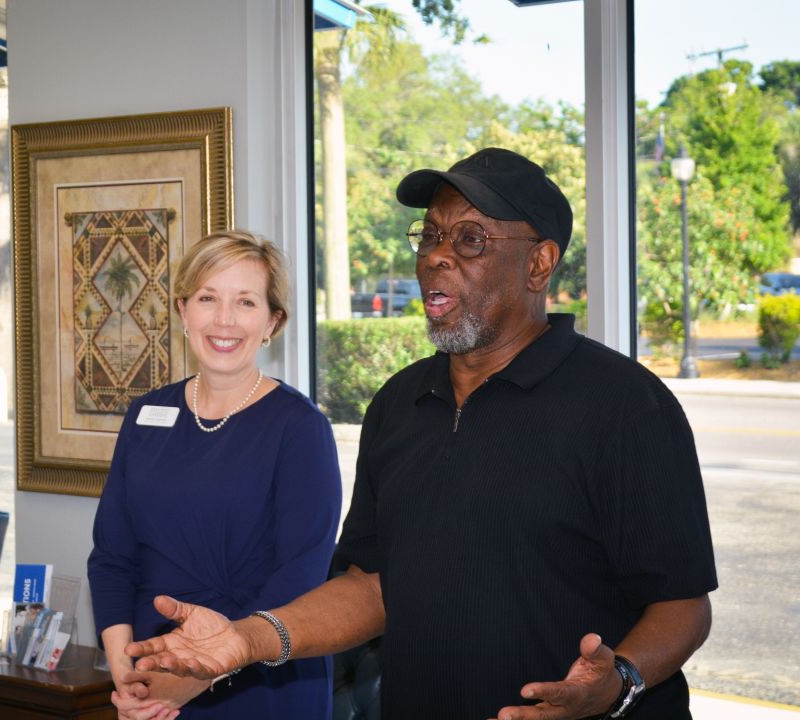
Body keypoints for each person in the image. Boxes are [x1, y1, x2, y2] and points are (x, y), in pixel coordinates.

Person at [124, 148, 718, 720]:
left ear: (538, 263)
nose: (437, 256)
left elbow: (683, 605)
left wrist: (618, 685)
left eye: (470, 239)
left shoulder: (624, 404)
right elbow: (372, 587)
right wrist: (247, 640)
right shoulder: (399, 403)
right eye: (430, 235)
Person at [87, 230, 341, 720]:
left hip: (257, 682)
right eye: (208, 298)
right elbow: (112, 557)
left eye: (245, 302)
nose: (224, 320)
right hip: (150, 676)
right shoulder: (146, 414)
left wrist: (194, 675)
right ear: (183, 310)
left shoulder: (300, 427)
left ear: (273, 321)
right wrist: (127, 671)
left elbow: (299, 579)